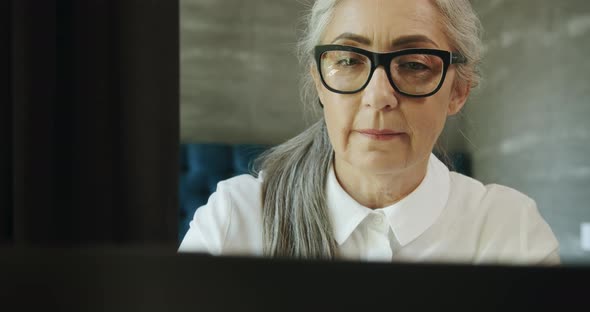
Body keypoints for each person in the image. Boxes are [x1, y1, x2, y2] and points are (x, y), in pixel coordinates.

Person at [178, 0, 560, 265]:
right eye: (348, 60)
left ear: (458, 90)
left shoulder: (509, 230)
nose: (379, 97)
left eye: (413, 64)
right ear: (319, 83)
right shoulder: (235, 220)